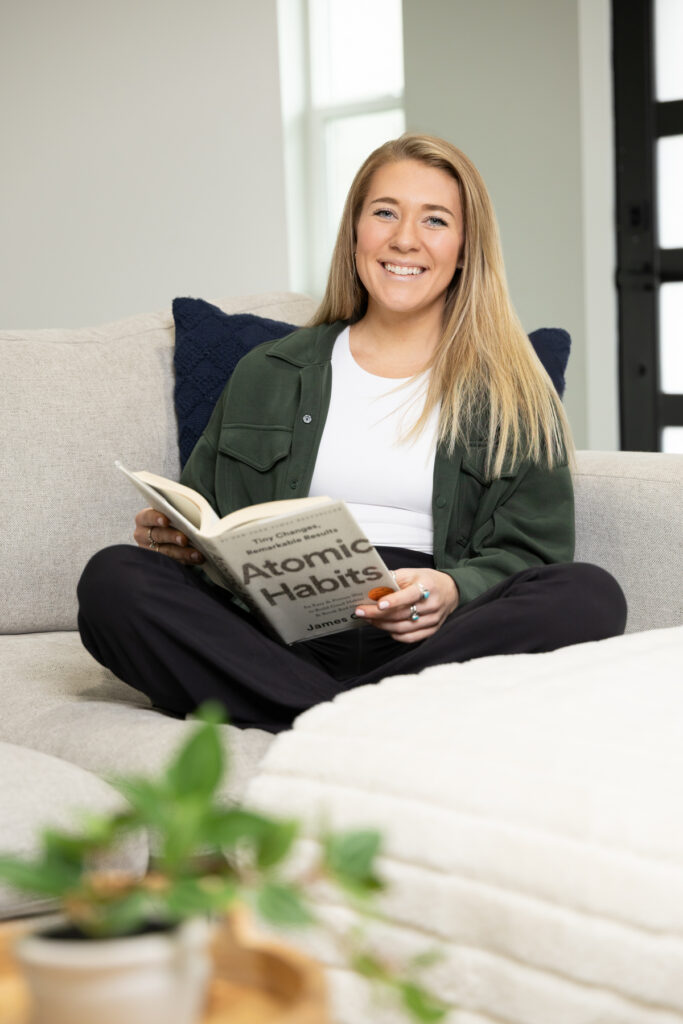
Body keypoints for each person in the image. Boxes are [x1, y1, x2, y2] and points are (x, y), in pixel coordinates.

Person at [77, 133, 627, 731]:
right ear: (356, 233)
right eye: (385, 212)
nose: (404, 239)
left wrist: (451, 588)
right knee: (114, 580)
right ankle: (367, 720)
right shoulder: (269, 370)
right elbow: (211, 520)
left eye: (435, 220)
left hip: (431, 636)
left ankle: (306, 717)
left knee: (590, 594)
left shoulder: (514, 392)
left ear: (466, 248)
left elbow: (535, 555)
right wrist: (178, 541)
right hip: (273, 634)